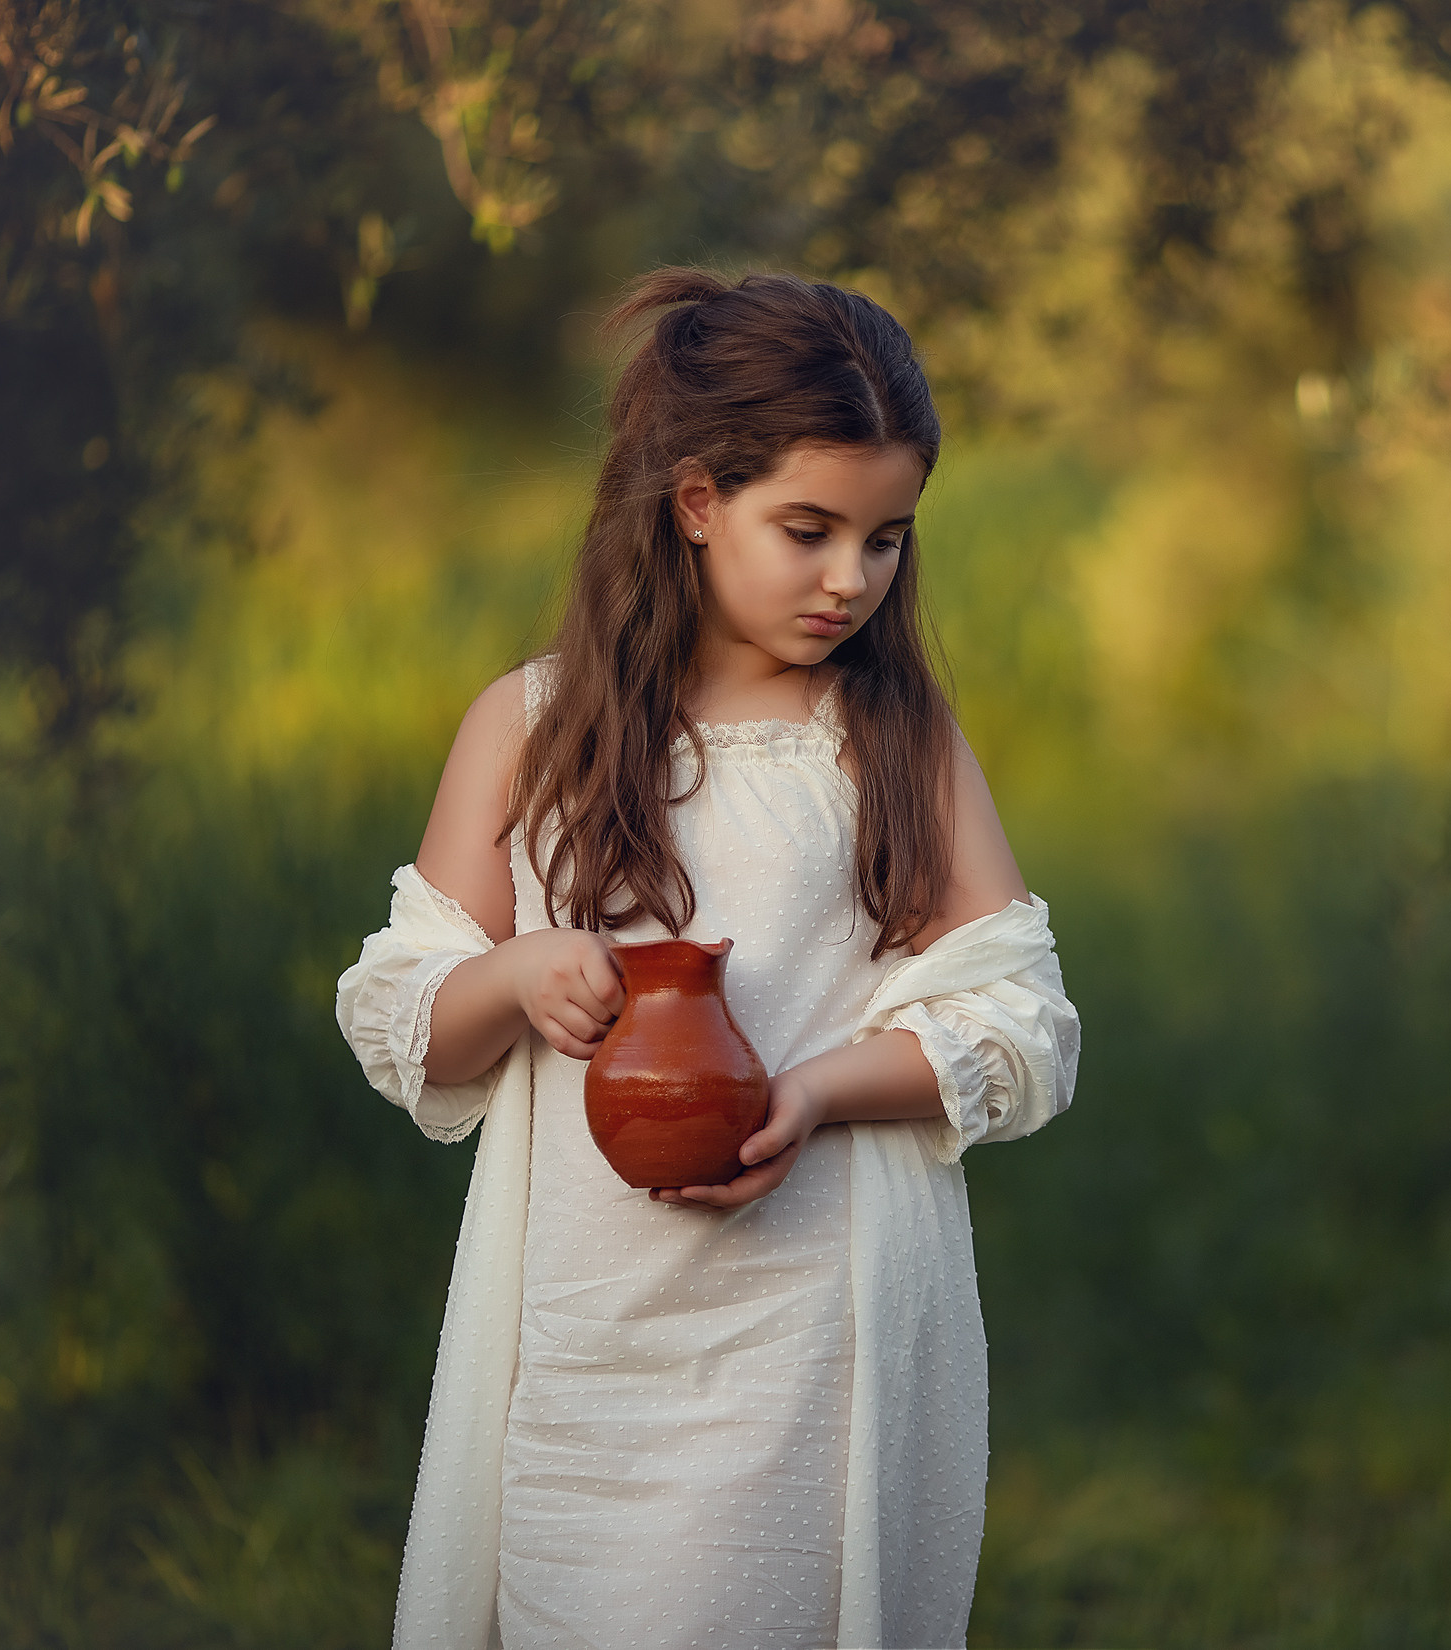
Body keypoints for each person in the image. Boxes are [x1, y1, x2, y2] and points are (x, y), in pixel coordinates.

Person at [335, 268, 1081, 1650]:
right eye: (809, 528)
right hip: (585, 1345)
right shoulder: (530, 727)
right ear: (694, 502)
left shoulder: (893, 745)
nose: (852, 577)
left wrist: (816, 1091)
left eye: (888, 538)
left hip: (804, 1344)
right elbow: (403, 1022)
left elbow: (1024, 1018)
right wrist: (513, 975)